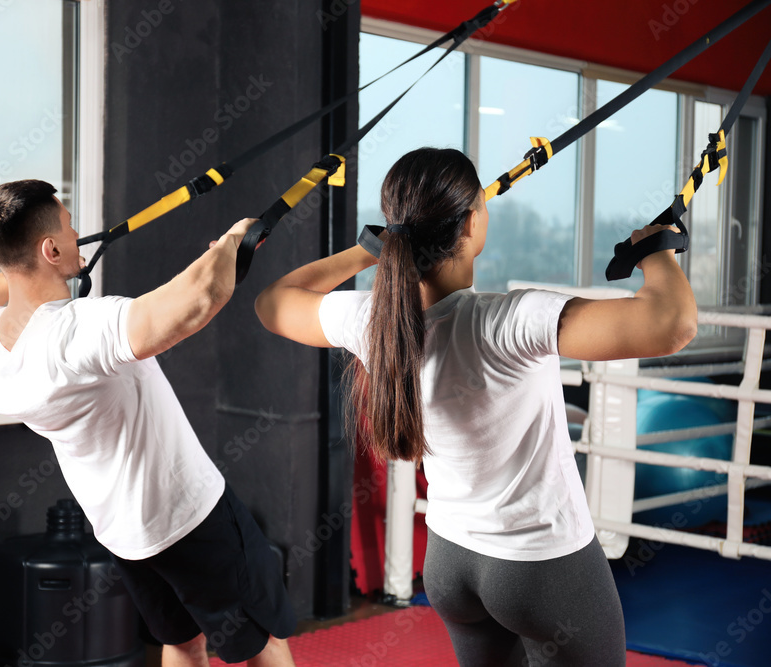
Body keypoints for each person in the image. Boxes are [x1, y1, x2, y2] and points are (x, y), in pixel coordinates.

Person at [254, 147, 697, 666]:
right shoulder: (508, 320)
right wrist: (655, 252)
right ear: (469, 225)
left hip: (452, 565)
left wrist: (372, 250)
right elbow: (673, 324)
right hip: (540, 567)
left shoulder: (372, 321)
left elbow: (275, 299)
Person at [0, 179, 295, 667]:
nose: (78, 232)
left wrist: (20, 272)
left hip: (122, 531)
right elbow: (197, 302)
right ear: (51, 247)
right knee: (266, 638)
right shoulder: (77, 332)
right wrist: (233, 242)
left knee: (181, 641)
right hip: (190, 515)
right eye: (67, 226)